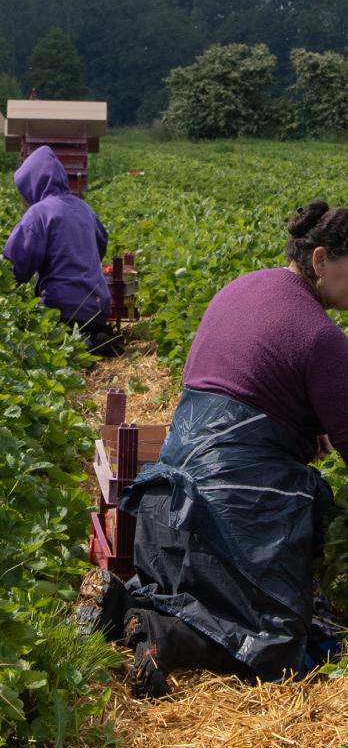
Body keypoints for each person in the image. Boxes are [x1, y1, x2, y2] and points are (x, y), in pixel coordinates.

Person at [99, 200, 348, 696]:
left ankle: (130, 607)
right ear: (320, 260)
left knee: (214, 602)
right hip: (234, 519)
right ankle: (165, 637)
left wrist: (300, 426)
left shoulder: (243, 288)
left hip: (167, 510)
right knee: (275, 645)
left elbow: (243, 389)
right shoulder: (321, 336)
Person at [2, 146, 118, 356]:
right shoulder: (84, 209)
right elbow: (101, 242)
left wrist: (5, 288)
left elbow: (16, 264)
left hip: (60, 307)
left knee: (35, 340)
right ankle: (94, 334)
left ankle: (80, 338)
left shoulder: (39, 213)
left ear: (32, 184)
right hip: (98, 306)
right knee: (87, 330)